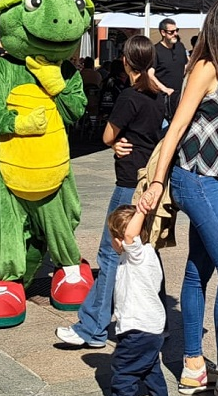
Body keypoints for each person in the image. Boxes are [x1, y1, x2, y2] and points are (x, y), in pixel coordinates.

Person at [136, 0, 218, 396]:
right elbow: (177, 129)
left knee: (197, 270)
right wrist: (156, 181)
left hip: (216, 181)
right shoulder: (205, 69)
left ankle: (192, 364)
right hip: (195, 179)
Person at [59, 36, 165, 349]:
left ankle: (91, 327)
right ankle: (156, 323)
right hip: (149, 181)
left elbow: (107, 134)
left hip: (129, 182)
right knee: (145, 252)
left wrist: (113, 142)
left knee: (110, 253)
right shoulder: (159, 96)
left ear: (125, 62)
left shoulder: (130, 97)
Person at [95, 205, 170, 396]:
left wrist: (142, 210)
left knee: (123, 368)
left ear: (121, 239)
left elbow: (130, 235)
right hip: (151, 327)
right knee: (149, 366)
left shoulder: (138, 254)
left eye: (112, 237)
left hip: (138, 328)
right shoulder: (143, 255)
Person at [151, 20, 188, 122]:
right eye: (171, 32)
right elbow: (150, 74)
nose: (175, 34)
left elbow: (185, 67)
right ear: (163, 33)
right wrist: (165, 89)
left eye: (176, 30)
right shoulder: (156, 50)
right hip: (163, 99)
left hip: (180, 97)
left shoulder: (180, 47)